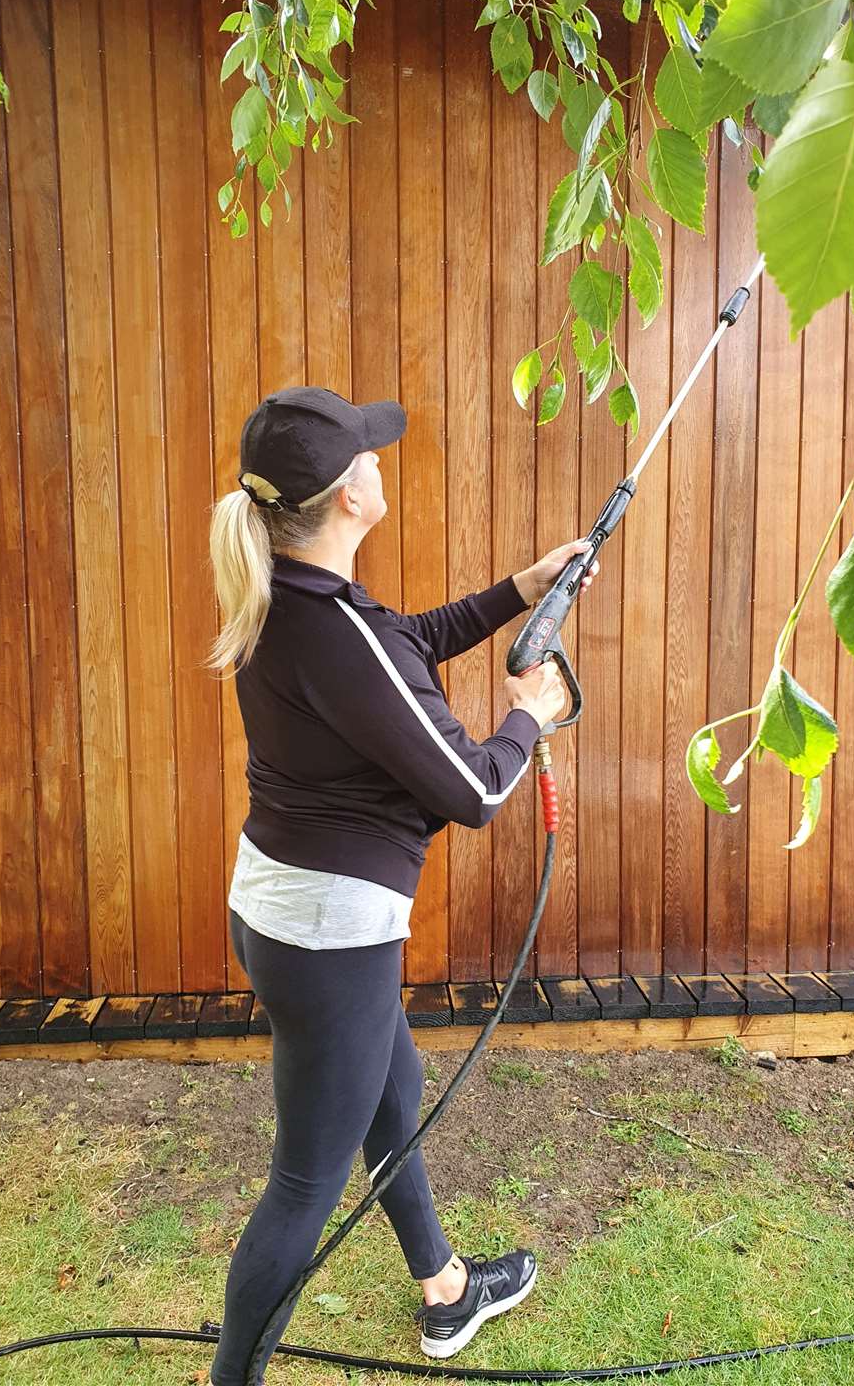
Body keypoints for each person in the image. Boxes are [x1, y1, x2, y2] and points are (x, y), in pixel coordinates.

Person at [203, 386, 599, 1384]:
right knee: (302, 1183)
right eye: (369, 458)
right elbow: (472, 788)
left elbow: (407, 644)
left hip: (284, 910)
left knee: (394, 1091)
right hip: (329, 935)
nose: (383, 463)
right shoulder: (336, 631)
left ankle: (447, 1291)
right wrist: (533, 715)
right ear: (346, 498)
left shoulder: (297, 594)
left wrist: (526, 584)